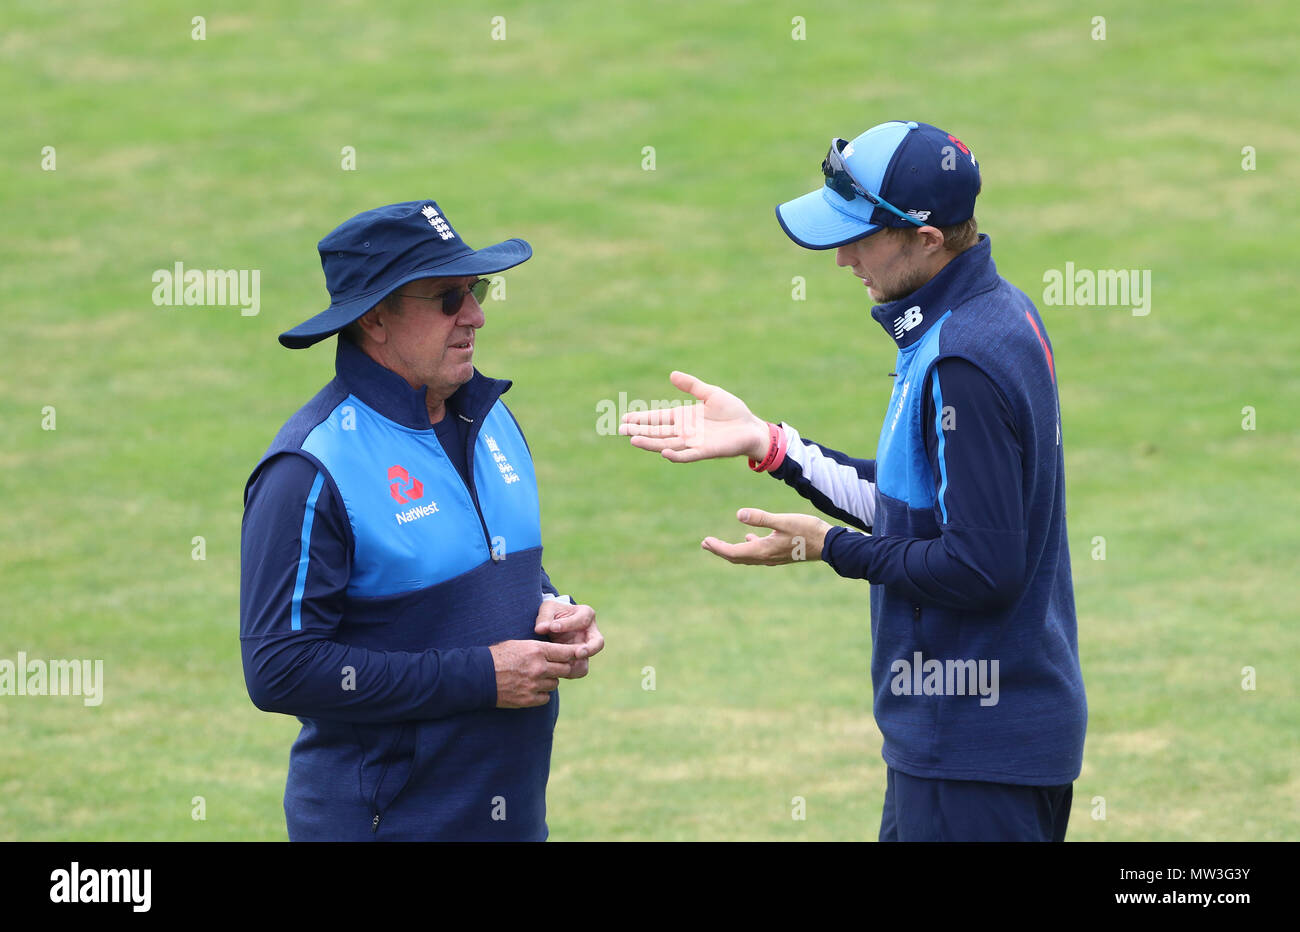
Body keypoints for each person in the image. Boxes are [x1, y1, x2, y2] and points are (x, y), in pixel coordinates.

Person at [619, 121, 1086, 842]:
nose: (841, 258)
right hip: (984, 746)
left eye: (860, 236)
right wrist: (772, 445)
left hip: (970, 753)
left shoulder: (960, 358)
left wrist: (828, 548)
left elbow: (982, 565)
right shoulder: (991, 314)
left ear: (925, 238)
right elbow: (918, 512)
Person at [239, 199, 602, 841]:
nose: (476, 316)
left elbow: (490, 566)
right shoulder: (310, 468)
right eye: (446, 299)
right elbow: (279, 668)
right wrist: (483, 676)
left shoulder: (491, 420)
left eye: (476, 290)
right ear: (375, 319)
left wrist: (553, 608)